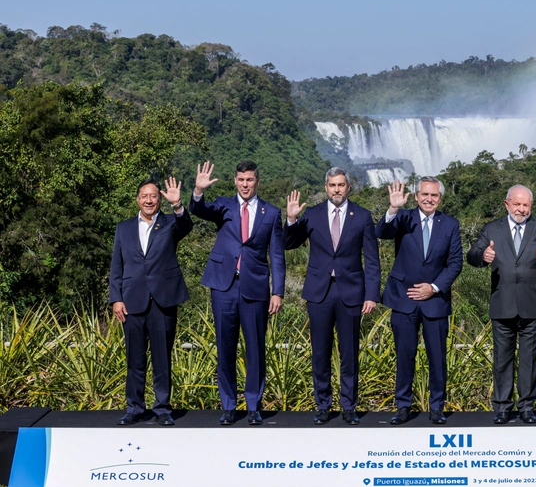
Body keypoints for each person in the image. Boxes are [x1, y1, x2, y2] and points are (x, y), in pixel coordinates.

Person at [190, 161, 285, 425]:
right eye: (241, 179)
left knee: (255, 348)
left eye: (250, 180)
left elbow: (276, 256)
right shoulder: (223, 205)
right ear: (235, 181)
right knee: (225, 347)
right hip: (223, 286)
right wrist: (198, 191)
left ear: (257, 181)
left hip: (255, 288)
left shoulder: (272, 212)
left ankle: (253, 406)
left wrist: (277, 292)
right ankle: (229, 406)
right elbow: (199, 209)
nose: (245, 184)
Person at [284, 167, 381, 425]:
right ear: (325, 187)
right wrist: (292, 220)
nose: (336, 189)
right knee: (320, 352)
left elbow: (372, 260)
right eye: (331, 185)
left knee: (349, 352)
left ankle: (349, 407)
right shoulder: (313, 214)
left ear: (348, 187)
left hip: (351, 292)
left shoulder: (361, 216)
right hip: (319, 292)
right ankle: (323, 405)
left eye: (340, 185)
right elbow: (289, 243)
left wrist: (371, 294)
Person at [466, 185, 536, 424]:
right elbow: (472, 255)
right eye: (517, 204)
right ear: (506, 204)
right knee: (502, 358)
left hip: (534, 303)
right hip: (503, 302)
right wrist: (482, 257)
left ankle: (527, 406)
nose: (521, 209)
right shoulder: (492, 229)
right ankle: (502, 407)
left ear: (531, 206)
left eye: (526, 205)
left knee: (531, 358)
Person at [375, 178, 463, 425]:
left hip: (434, 301)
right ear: (415, 196)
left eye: (434, 195)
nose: (429, 199)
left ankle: (437, 408)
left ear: (440, 198)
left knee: (437, 357)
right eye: (425, 194)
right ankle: (403, 406)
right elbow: (381, 232)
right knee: (405, 355)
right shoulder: (402, 218)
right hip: (404, 300)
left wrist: (433, 288)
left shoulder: (450, 224)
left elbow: (455, 262)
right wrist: (393, 208)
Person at [110, 177, 193, 426]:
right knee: (134, 359)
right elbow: (117, 265)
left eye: (154, 196)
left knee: (162, 358)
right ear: (138, 199)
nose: (149, 200)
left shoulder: (170, 224)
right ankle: (135, 407)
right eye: (144, 196)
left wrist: (177, 204)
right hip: (132, 300)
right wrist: (116, 298)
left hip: (163, 299)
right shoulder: (123, 228)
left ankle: (162, 408)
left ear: (159, 199)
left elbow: (186, 226)